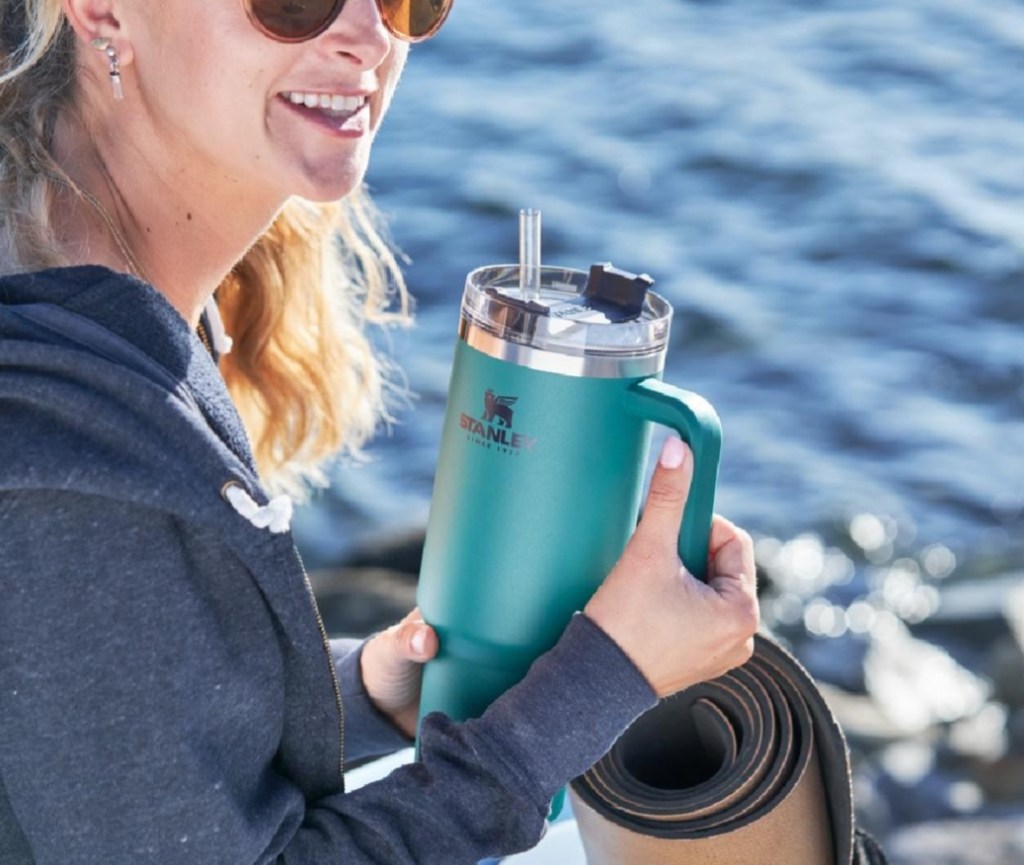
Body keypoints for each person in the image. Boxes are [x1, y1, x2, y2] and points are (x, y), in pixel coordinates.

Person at [0, 0, 760, 862]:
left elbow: (85, 730)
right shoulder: (70, 440)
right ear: (103, 10)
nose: (369, 35)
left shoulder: (82, 279)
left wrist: (362, 695)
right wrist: (597, 683)